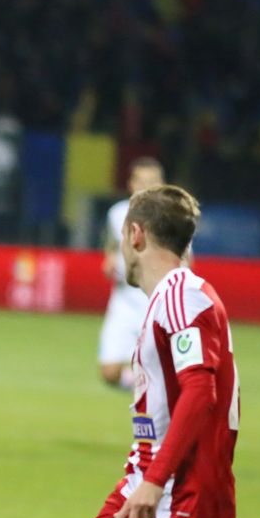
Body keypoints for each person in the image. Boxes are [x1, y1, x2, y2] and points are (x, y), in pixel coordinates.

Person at [48, 185, 259, 518]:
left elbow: (200, 391)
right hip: (139, 487)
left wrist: (155, 480)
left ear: (135, 235)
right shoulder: (164, 300)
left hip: (185, 507)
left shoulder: (184, 296)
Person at [98, 157, 165, 391]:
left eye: (152, 181)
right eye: (142, 181)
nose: (146, 187)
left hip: (156, 303)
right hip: (124, 301)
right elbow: (110, 251)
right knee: (109, 372)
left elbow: (187, 262)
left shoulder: (172, 218)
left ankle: (157, 398)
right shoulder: (117, 214)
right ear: (131, 183)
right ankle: (148, 391)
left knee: (160, 366)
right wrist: (110, 266)